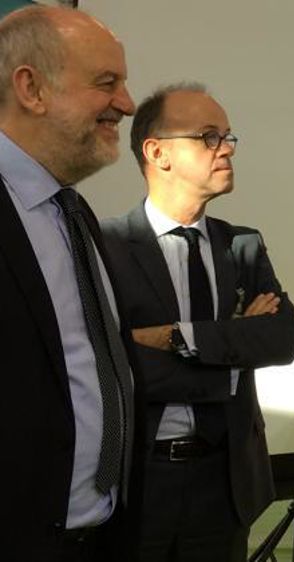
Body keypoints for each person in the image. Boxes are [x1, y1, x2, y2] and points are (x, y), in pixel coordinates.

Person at [99, 84, 294, 562]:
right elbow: (117, 366)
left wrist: (177, 338)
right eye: (209, 137)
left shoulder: (242, 246)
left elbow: (284, 338)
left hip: (227, 484)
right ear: (158, 152)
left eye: (228, 136)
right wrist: (233, 355)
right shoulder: (105, 245)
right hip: (140, 482)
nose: (227, 148)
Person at [0, 6, 142, 561]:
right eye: (107, 83)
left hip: (99, 538)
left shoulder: (74, 213)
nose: (127, 104)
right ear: (31, 88)